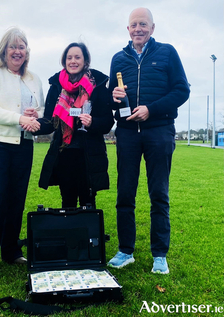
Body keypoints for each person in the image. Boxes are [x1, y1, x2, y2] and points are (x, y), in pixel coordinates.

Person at [107, 8, 190, 274]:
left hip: (159, 131)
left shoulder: (167, 52)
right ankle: (125, 250)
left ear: (152, 28)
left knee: (159, 194)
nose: (138, 29)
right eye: (134, 25)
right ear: (128, 29)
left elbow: (182, 90)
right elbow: (110, 96)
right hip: (128, 134)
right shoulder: (118, 59)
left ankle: (159, 255)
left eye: (143, 24)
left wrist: (150, 109)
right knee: (125, 194)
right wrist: (114, 95)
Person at [0, 27, 44, 278]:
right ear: (4, 50)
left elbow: (42, 109)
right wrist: (19, 118)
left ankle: (11, 251)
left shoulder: (33, 79)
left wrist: (35, 115)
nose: (18, 51)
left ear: (27, 52)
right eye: (13, 46)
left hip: (24, 143)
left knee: (17, 198)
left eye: (22, 47)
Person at [34, 42, 114, 208]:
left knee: (88, 201)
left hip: (89, 154)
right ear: (64, 61)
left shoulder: (98, 84)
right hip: (64, 153)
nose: (73, 61)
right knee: (67, 200)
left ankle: (90, 234)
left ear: (85, 61)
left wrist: (92, 122)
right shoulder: (56, 85)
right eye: (69, 58)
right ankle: (69, 233)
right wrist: (33, 123)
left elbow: (108, 122)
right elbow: (50, 121)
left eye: (77, 57)